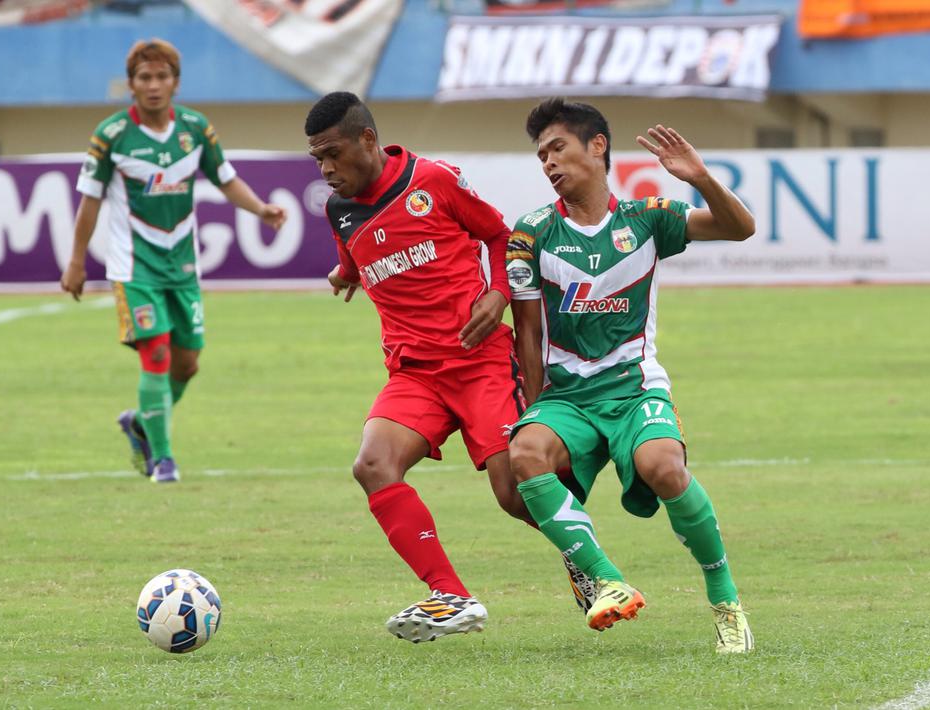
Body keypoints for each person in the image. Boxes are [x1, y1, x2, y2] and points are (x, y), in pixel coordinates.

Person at [506, 98, 758, 652]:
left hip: (634, 388)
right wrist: (532, 411)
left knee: (664, 468)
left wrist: (701, 178)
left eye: (558, 148)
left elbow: (741, 228)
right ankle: (606, 579)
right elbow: (526, 329)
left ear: (597, 146)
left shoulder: (648, 219)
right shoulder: (531, 231)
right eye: (541, 155)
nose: (548, 163)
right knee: (523, 454)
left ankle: (725, 599)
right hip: (567, 398)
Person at [305, 91, 536, 643]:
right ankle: (451, 595)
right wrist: (347, 276)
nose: (326, 170)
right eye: (318, 159)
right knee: (373, 464)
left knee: (514, 492)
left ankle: (591, 567)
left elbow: (500, 236)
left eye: (333, 154)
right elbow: (355, 253)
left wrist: (498, 294)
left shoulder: (433, 180)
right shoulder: (338, 209)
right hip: (415, 375)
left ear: (368, 139)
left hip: (479, 360)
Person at [61, 39, 285, 483]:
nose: (154, 85)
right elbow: (89, 202)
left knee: (188, 364)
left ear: (176, 82)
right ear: (131, 85)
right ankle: (163, 460)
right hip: (134, 267)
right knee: (157, 351)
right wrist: (76, 261)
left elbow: (226, 179)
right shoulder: (111, 136)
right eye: (144, 77)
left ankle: (142, 424)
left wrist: (260, 209)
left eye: (162, 76)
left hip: (183, 267)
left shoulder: (196, 128)